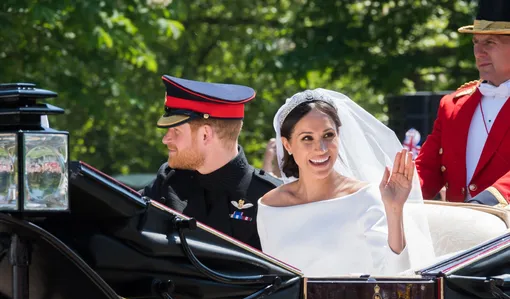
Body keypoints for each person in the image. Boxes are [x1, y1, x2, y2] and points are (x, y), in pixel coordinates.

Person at [256, 89, 435, 276]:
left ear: (339, 135)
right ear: (287, 145)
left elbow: (396, 276)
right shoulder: (270, 206)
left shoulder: (366, 197)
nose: (321, 149)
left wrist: (394, 210)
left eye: (328, 135)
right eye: (307, 138)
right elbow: (273, 279)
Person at [141, 75, 281, 250]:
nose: (165, 139)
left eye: (176, 130)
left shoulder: (271, 198)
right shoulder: (167, 185)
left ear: (205, 135)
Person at [416, 0, 510, 207]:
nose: (479, 52)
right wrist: (395, 193)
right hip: (459, 232)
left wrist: (484, 204)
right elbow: (427, 169)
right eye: (476, 42)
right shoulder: (452, 105)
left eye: (490, 43)